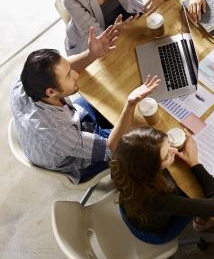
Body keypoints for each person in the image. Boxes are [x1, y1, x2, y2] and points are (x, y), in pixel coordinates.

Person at [10, 25, 160, 183]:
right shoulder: (58, 134)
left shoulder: (24, 81)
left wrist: (92, 54)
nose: (75, 74)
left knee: (112, 103)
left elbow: (66, 67)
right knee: (144, 142)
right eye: (69, 76)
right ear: (51, 92)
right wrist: (130, 104)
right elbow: (110, 149)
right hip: (74, 161)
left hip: (64, 128)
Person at [110, 127, 214, 244]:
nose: (174, 151)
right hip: (155, 233)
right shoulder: (157, 199)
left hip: (131, 211)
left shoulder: (121, 164)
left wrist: (162, 147)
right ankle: (201, 223)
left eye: (169, 143)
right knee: (193, 194)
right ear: (151, 170)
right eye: (167, 154)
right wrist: (195, 163)